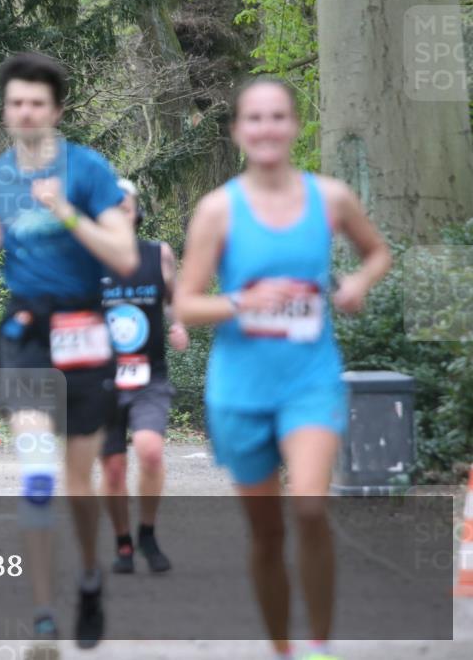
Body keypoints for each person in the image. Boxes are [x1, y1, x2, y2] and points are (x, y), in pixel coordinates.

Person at [174, 76, 391, 660]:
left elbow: (377, 253)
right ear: (238, 130)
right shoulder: (218, 210)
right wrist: (242, 302)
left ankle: (319, 645)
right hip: (240, 389)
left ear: (294, 125)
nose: (267, 128)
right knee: (267, 534)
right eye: (255, 118)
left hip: (309, 380)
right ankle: (282, 648)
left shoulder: (331, 197)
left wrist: (355, 286)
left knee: (311, 507)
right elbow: (186, 303)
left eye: (277, 117)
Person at [0, 52, 138, 653]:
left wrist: (67, 212)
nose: (26, 112)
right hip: (28, 335)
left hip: (85, 329)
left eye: (37, 102)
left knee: (77, 479)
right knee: (38, 474)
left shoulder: (89, 170)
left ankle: (89, 577)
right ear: (5, 110)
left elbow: (122, 255)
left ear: (56, 110)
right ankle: (43, 617)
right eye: (16, 102)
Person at [99, 177, 188, 575]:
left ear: (138, 212)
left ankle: (148, 534)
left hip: (149, 376)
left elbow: (175, 300)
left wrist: (179, 324)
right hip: (101, 380)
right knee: (114, 467)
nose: (120, 211)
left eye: (126, 205)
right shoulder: (87, 259)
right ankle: (123, 543)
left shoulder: (158, 255)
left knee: (150, 450)